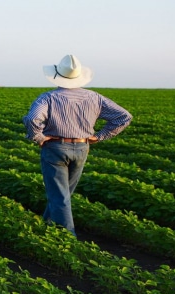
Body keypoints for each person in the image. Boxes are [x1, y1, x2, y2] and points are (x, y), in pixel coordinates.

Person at [22, 54, 132, 237]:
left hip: (55, 148)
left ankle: (68, 238)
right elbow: (124, 116)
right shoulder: (94, 97)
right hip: (82, 148)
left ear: (57, 75)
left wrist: (39, 137)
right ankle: (47, 226)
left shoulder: (48, 98)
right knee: (64, 194)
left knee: (59, 195)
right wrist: (100, 136)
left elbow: (33, 118)